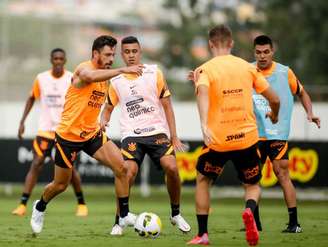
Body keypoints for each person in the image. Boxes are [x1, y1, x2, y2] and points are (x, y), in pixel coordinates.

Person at [29, 35, 144, 234]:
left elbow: (96, 104)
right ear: (95, 54)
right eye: (107, 55)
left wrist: (101, 121)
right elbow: (89, 78)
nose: (111, 59)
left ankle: (123, 215)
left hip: (91, 134)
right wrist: (123, 69)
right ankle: (40, 206)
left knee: (123, 168)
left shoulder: (106, 77)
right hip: (68, 137)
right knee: (60, 185)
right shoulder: (84, 69)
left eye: (113, 55)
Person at [186, 25, 280, 246]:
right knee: (252, 185)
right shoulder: (247, 68)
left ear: (210, 44)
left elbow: (203, 95)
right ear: (231, 44)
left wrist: (203, 124)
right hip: (246, 139)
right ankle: (249, 210)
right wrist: (273, 115)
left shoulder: (205, 69)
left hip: (218, 139)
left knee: (203, 180)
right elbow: (274, 99)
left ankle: (202, 235)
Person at [101, 36, 191, 236]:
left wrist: (174, 136)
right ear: (122, 55)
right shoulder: (116, 81)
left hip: (157, 132)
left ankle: (175, 214)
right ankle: (120, 220)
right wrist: (103, 120)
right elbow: (107, 108)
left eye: (134, 51)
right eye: (127, 52)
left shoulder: (154, 73)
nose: (131, 55)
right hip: (132, 135)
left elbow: (167, 106)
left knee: (172, 168)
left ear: (139, 52)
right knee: (127, 173)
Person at [252, 35, 321, 233]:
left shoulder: (285, 72)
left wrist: (310, 113)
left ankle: (294, 223)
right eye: (258, 52)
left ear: (272, 51)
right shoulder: (247, 70)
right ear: (254, 52)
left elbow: (302, 92)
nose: (262, 56)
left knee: (282, 175)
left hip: (277, 133)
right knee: (251, 178)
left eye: (266, 52)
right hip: (254, 134)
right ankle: (255, 224)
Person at [12, 48, 88, 217]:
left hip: (66, 131)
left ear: (65, 60)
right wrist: (22, 122)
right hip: (45, 130)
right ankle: (23, 204)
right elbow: (32, 98)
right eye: (55, 58)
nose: (58, 61)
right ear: (51, 60)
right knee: (37, 162)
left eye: (61, 58)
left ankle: (81, 204)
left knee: (70, 169)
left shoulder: (72, 78)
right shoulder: (41, 78)